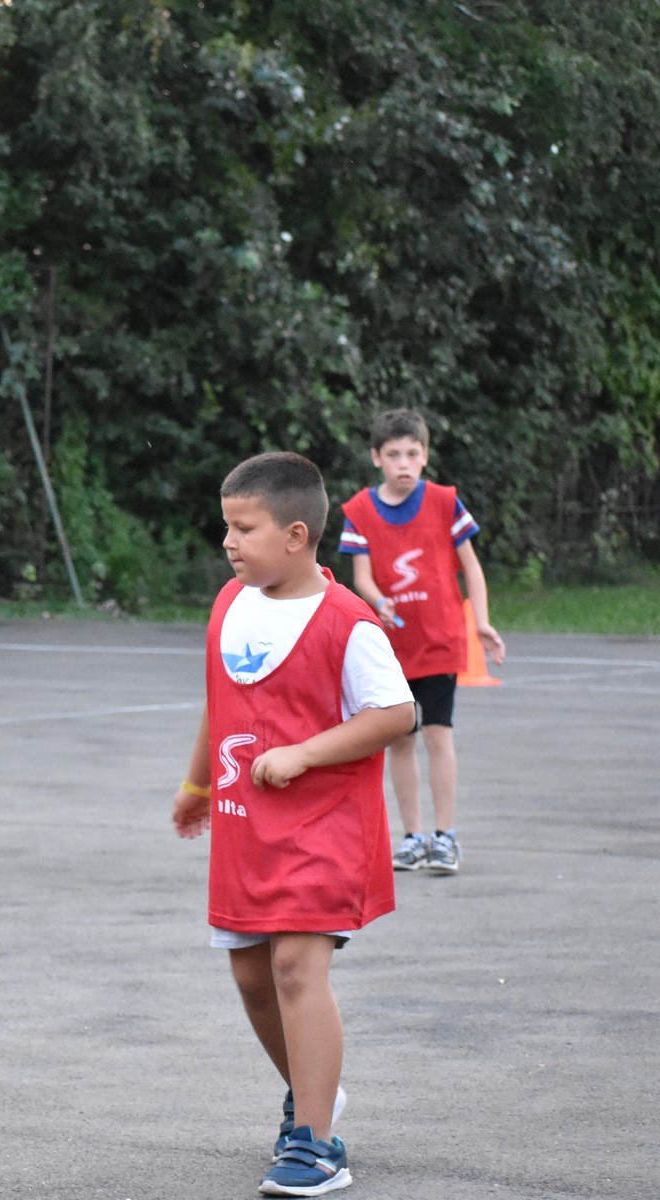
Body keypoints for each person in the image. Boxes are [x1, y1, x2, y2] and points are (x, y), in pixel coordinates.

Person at [172, 451, 414, 1197]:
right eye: (226, 527)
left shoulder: (348, 623)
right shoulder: (230, 603)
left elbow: (396, 714)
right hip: (246, 831)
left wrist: (305, 753)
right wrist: (197, 783)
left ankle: (316, 1144)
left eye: (244, 528)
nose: (229, 542)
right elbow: (220, 698)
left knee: (294, 970)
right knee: (251, 977)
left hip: (323, 830)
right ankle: (314, 1093)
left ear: (297, 535)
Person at [338, 409, 506, 875]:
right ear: (376, 458)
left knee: (438, 733)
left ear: (425, 455)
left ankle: (445, 837)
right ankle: (412, 837)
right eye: (394, 455)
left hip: (439, 641)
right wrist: (379, 601)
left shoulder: (445, 502)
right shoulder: (359, 511)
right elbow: (361, 577)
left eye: (413, 454)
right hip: (391, 648)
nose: (404, 463)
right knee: (400, 739)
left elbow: (471, 567)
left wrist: (481, 621)